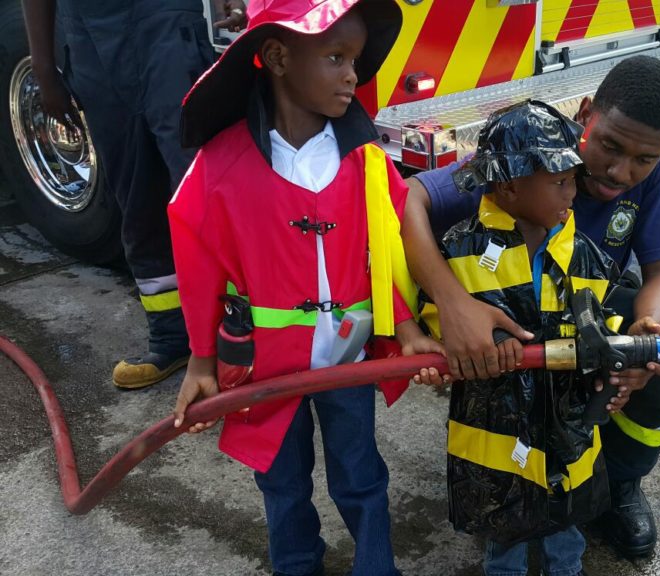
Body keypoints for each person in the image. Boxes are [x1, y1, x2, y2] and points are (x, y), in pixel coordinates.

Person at [167, 1, 441, 575]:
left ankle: (377, 569)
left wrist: (407, 327)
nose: (352, 75)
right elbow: (199, 263)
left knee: (361, 477)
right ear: (277, 57)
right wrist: (200, 360)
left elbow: (388, 248)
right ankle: (295, 566)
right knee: (282, 483)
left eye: (356, 60)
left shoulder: (367, 159)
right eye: (336, 57)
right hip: (265, 369)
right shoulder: (222, 164)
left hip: (347, 359)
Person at [403, 55, 660, 558]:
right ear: (586, 114)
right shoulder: (527, 149)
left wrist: (644, 333)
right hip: (516, 316)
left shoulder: (656, 157)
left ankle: (617, 483)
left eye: (643, 160)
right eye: (609, 146)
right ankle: (509, 483)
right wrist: (453, 305)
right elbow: (409, 197)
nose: (620, 171)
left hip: (588, 308)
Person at [418, 99, 621, 576]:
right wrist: (467, 343)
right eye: (560, 182)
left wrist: (610, 353)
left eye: (572, 179)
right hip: (494, 422)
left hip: (566, 419)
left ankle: (565, 569)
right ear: (509, 186)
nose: (573, 192)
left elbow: (605, 316)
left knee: (565, 517)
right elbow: (436, 315)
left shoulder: (584, 256)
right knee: (502, 516)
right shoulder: (460, 250)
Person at [22, 0, 247, 389]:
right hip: (91, 38)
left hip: (165, 22)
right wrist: (43, 69)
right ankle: (171, 336)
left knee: (201, 186)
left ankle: (237, 337)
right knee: (135, 194)